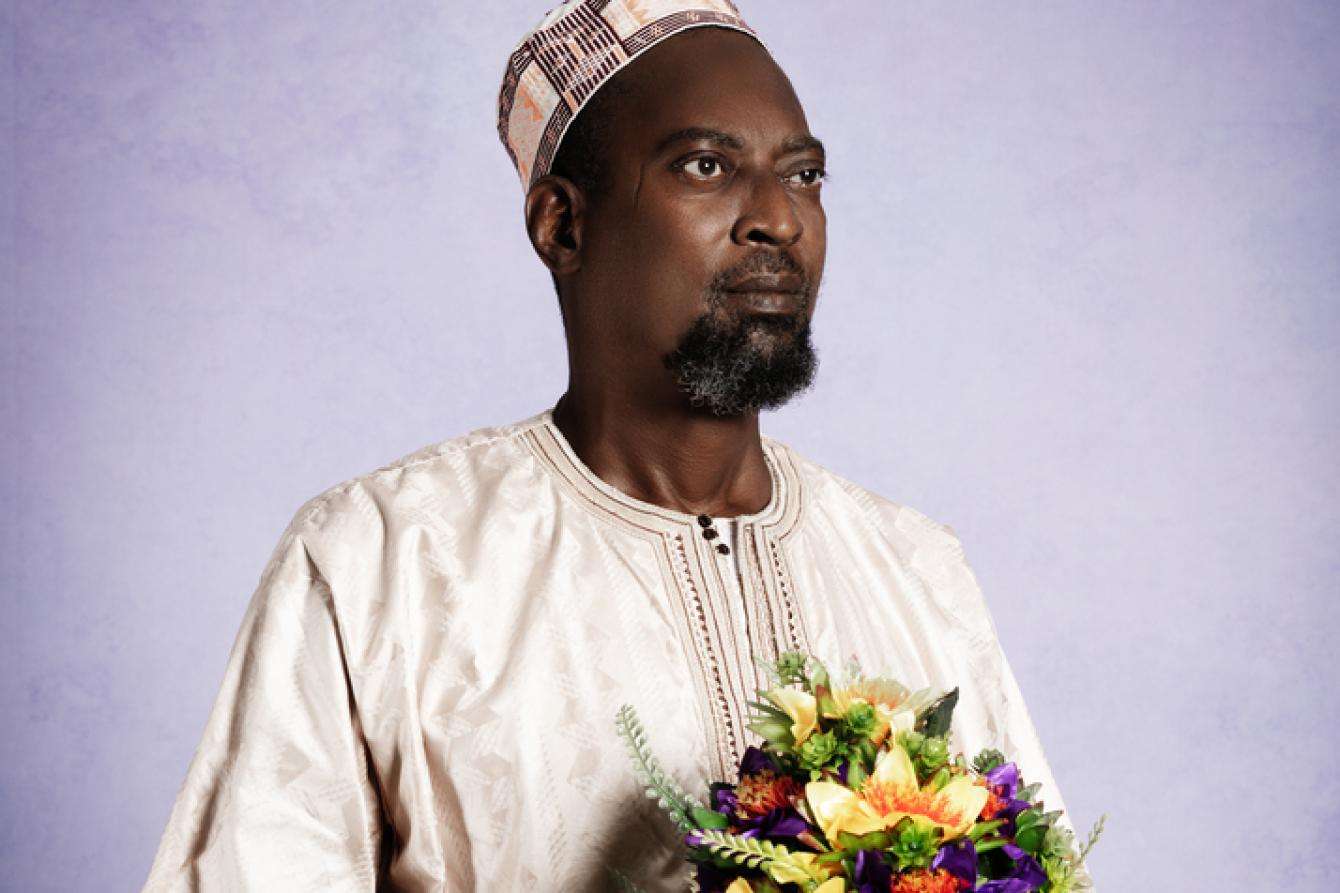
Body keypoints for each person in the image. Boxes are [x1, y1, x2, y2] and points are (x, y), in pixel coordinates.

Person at [145, 2, 1084, 890]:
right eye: (707, 167)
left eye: (803, 175)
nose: (780, 218)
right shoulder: (382, 561)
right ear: (564, 225)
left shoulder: (914, 570)